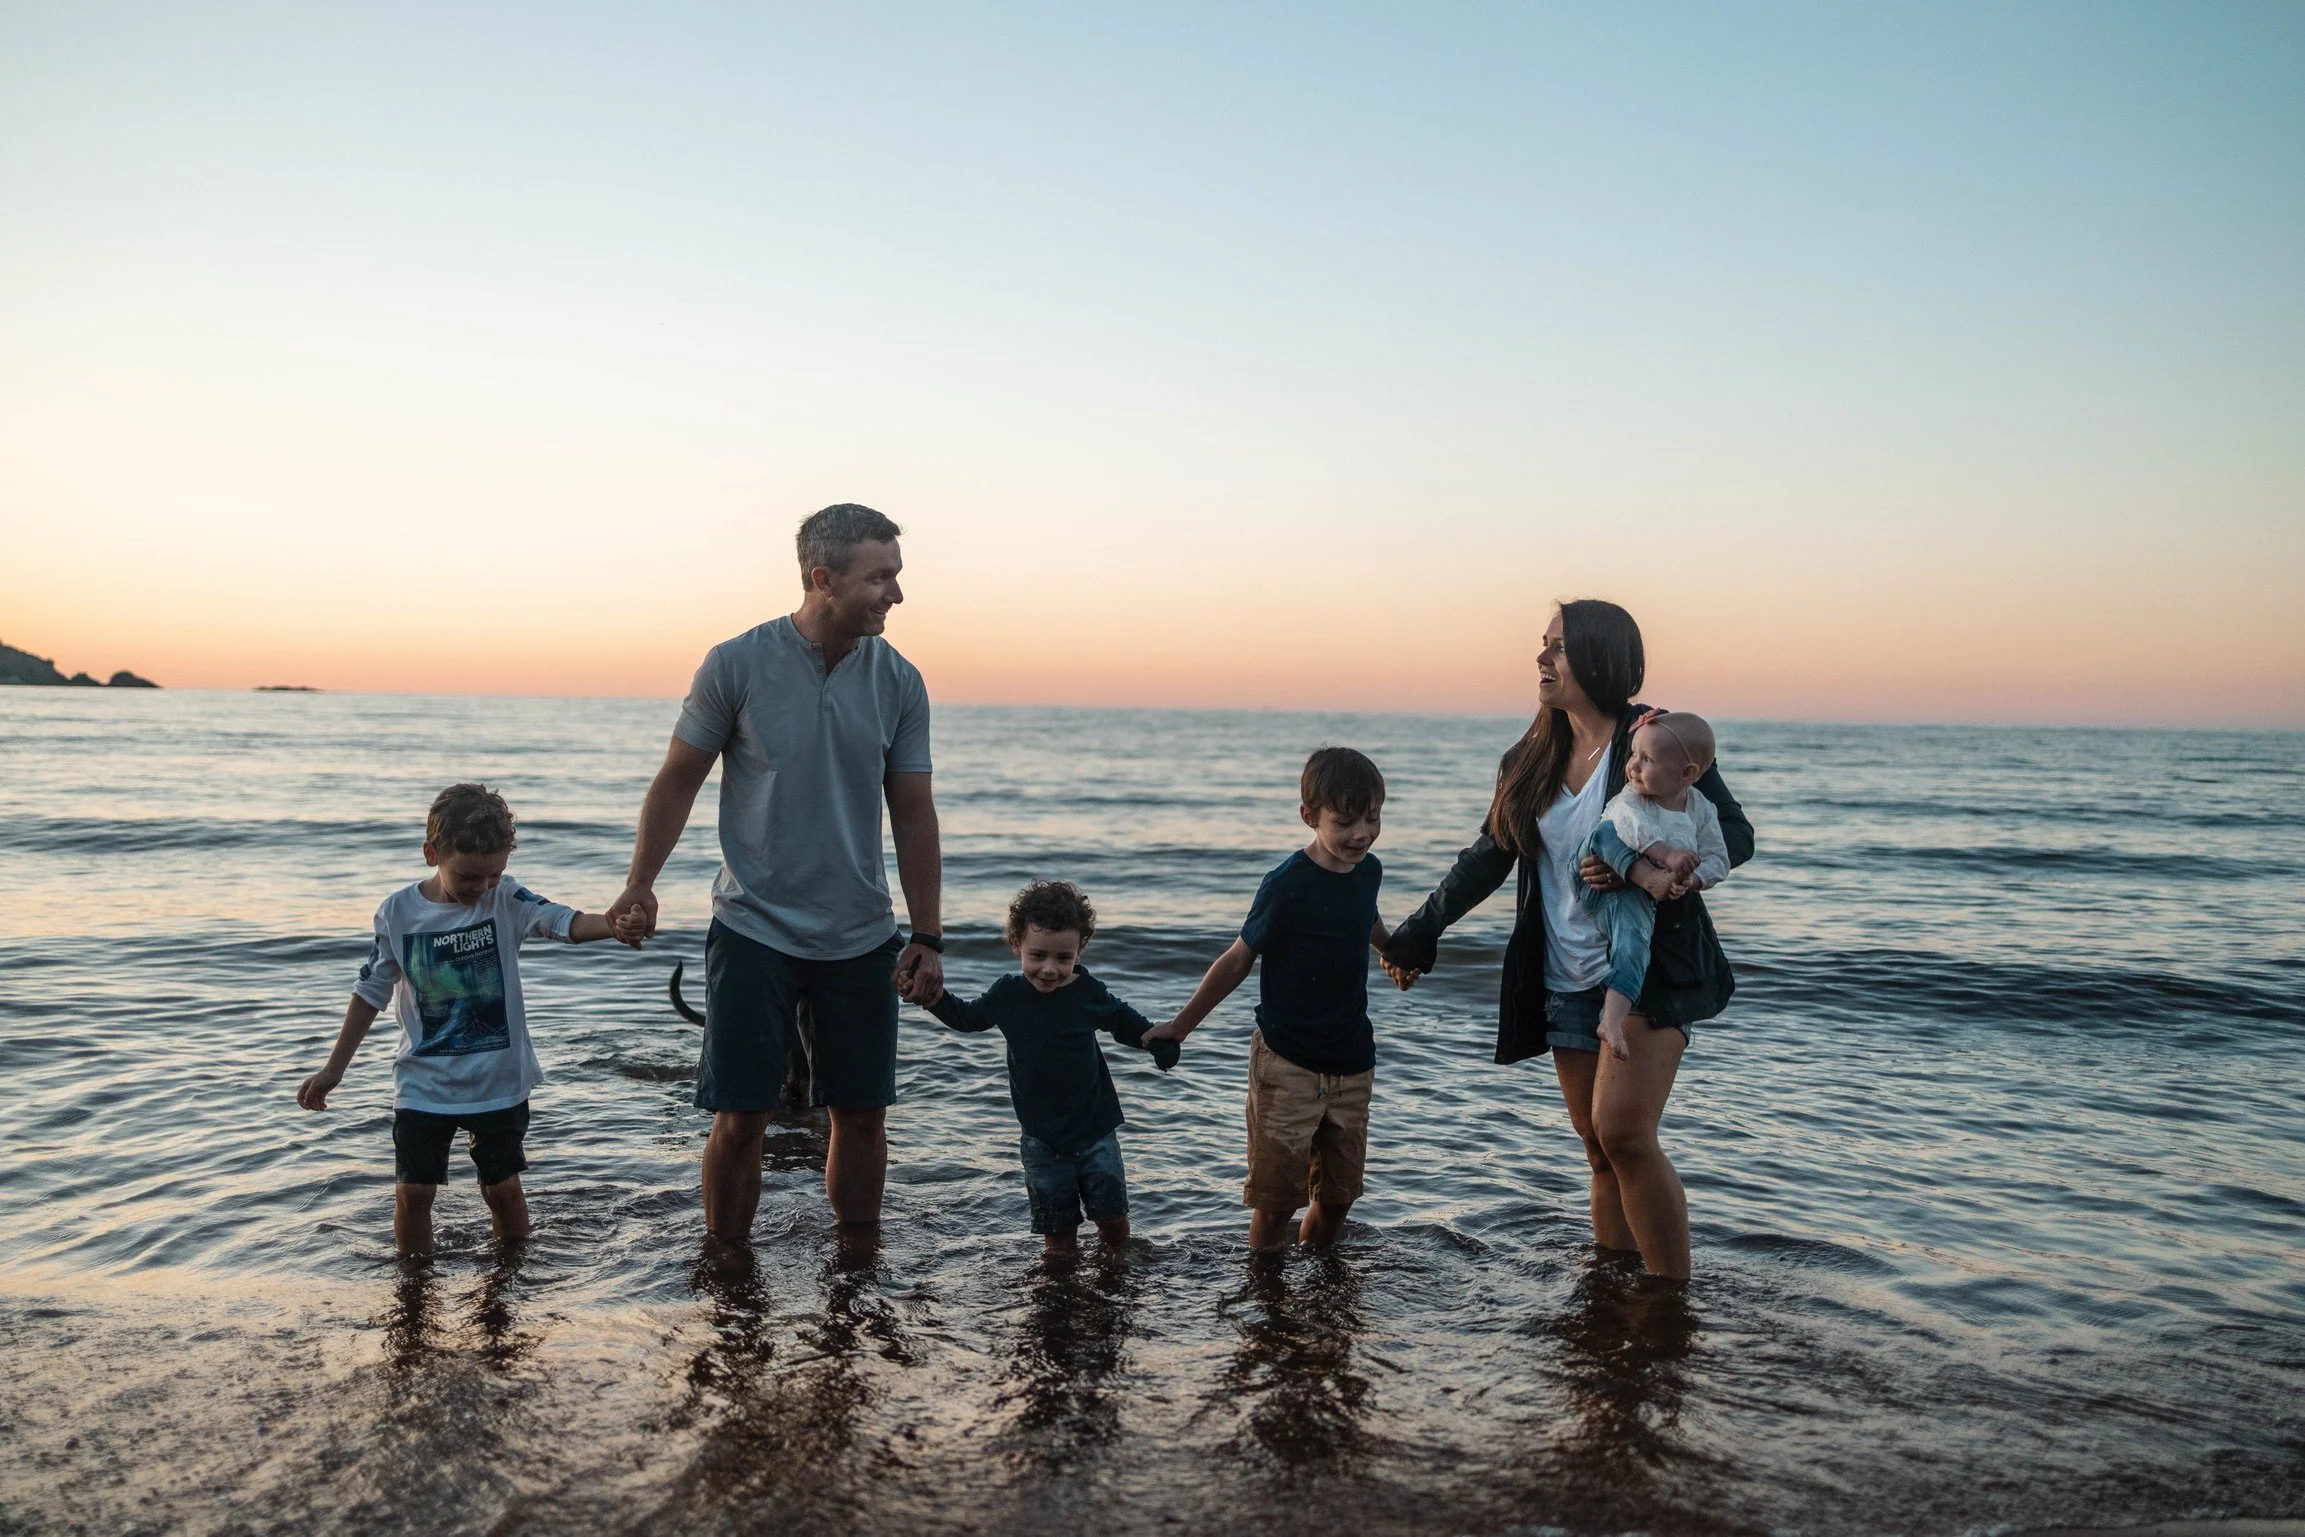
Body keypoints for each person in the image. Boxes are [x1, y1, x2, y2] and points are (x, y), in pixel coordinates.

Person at [1381, 600, 1751, 1282]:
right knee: (1596, 1147)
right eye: (1542, 644)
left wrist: (1648, 866)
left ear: (1600, 658)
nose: (1541, 658)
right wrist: (1416, 933)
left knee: (1625, 1133)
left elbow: (1732, 835)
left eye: (1557, 646)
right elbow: (1487, 856)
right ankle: (1612, 1287)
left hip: (1645, 971)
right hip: (1562, 973)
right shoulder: (1529, 756)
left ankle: (1670, 1300)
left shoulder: (1654, 738)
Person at [607, 504, 943, 1247]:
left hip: (861, 935)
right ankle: (725, 1267)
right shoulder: (736, 663)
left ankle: (856, 1266)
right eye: (879, 577)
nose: (895, 594)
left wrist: (927, 934)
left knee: (861, 1115)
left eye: (896, 575)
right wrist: (640, 881)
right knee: (742, 1115)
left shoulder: (900, 681)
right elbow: (678, 778)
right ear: (823, 578)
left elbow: (914, 813)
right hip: (753, 926)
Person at [296, 783, 631, 1255]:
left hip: (497, 1080)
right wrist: (334, 1069)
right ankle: (413, 1282)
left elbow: (563, 922)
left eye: (494, 875)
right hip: (423, 1081)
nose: (483, 888)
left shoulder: (506, 899)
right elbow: (369, 990)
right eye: (471, 876)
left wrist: (612, 925)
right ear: (432, 853)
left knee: (502, 1189)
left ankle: (512, 1273)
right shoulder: (398, 912)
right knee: (413, 1194)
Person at [1146, 748, 1390, 1252]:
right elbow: (1238, 959)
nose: (1362, 833)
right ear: (1309, 817)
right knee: (1277, 1202)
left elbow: (1367, 920)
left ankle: (1324, 1287)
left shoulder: (1368, 872)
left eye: (1373, 818)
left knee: (1341, 1195)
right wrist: (1181, 1026)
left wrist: (1395, 954)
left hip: (1352, 1063)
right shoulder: (1286, 885)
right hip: (1287, 1063)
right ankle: (1268, 1301)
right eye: (1345, 822)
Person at [926, 880, 1179, 1254]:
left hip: (1096, 1131)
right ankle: (1059, 1299)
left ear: (1080, 950)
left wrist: (1156, 1042)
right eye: (1038, 955)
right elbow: (967, 1018)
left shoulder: (1087, 992)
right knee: (1058, 1238)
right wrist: (933, 998)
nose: (1049, 969)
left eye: (1063, 958)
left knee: (1113, 1223)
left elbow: (1124, 1023)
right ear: (1017, 945)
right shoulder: (1008, 994)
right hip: (1042, 1139)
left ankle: (1116, 1287)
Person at [1578, 709, 1732, 1060]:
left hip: (1637, 897)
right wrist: (1666, 858)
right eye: (1633, 754)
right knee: (1603, 833)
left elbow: (1718, 858)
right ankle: (1652, 879)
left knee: (1634, 948)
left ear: (1687, 774)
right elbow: (1627, 828)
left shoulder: (1701, 809)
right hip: (1596, 876)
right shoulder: (1632, 799)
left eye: (1646, 759)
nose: (1633, 765)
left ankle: (1612, 1021)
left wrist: (1690, 880)